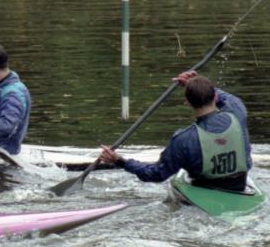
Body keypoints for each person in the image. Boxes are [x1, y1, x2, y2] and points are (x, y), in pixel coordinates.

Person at [97, 71, 253, 192]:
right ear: (215, 96)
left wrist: (120, 161)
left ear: (187, 103)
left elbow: (156, 174)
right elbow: (228, 99)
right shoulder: (237, 111)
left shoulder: (183, 139)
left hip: (205, 191)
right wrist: (196, 83)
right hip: (239, 188)